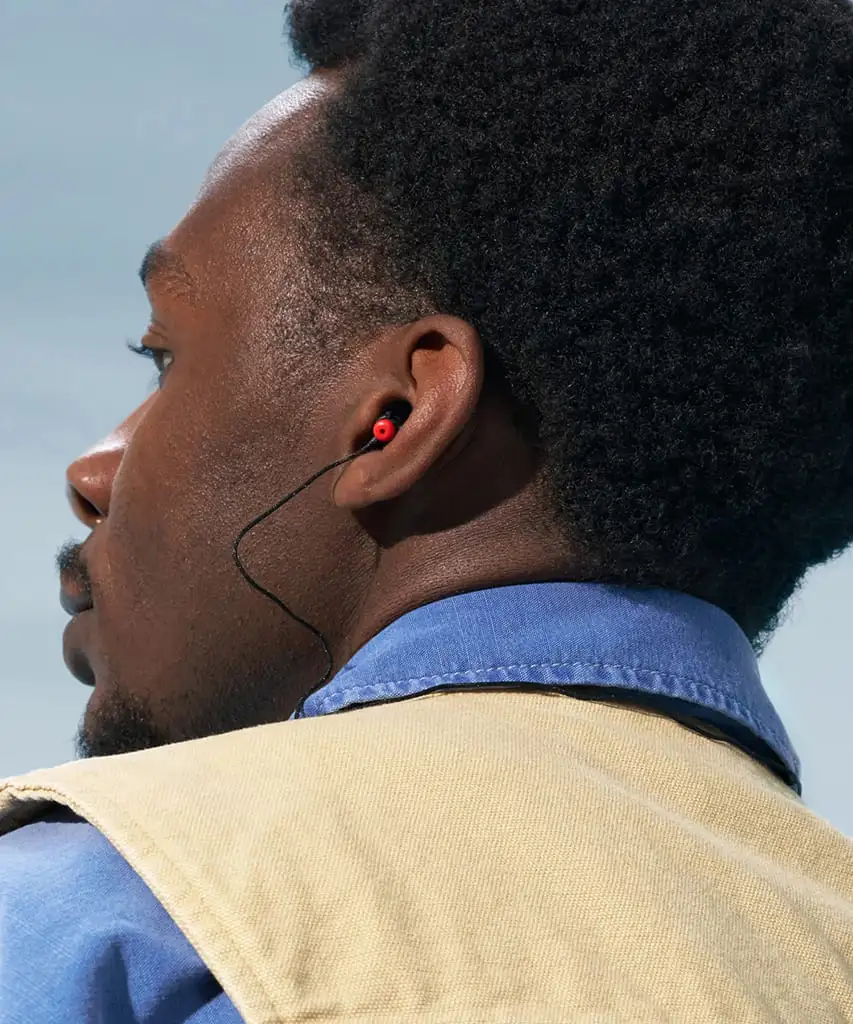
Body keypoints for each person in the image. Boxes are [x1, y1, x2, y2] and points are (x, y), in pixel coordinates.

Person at [2, 0, 853, 1020]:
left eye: (165, 356)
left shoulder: (106, 921)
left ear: (395, 418)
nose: (94, 471)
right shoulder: (819, 936)